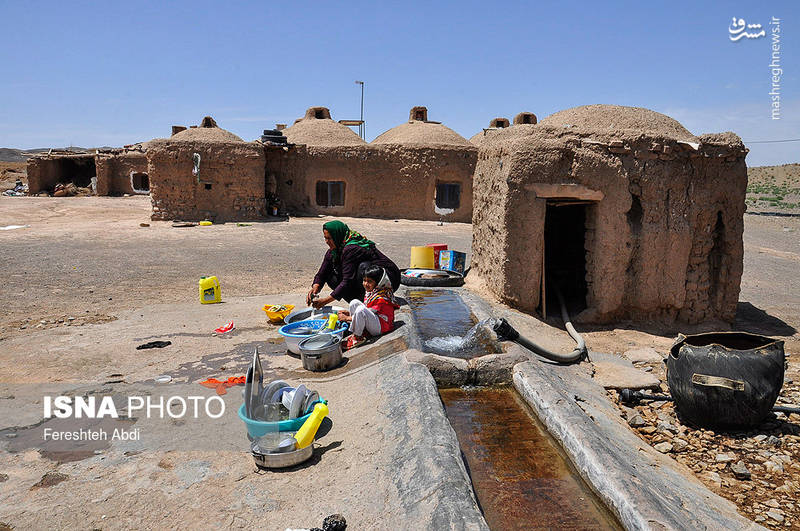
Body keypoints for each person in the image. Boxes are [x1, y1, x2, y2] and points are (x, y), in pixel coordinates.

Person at [307, 220, 400, 308]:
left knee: (363, 268)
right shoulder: (334, 251)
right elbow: (322, 273)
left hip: (389, 278)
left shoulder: (351, 248)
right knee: (332, 278)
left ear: (337, 236)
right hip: (373, 280)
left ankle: (370, 303)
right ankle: (359, 302)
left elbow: (348, 280)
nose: (326, 242)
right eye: (325, 238)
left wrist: (325, 301)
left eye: (329, 238)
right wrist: (315, 288)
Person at [337, 265, 399, 349]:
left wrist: (346, 318)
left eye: (369, 281)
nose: (365, 284)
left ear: (377, 283)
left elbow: (364, 312)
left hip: (382, 326)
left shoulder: (380, 297)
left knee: (360, 310)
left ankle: (357, 337)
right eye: (364, 280)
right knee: (354, 302)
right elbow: (368, 309)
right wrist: (349, 314)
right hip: (376, 319)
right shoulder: (373, 292)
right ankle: (358, 331)